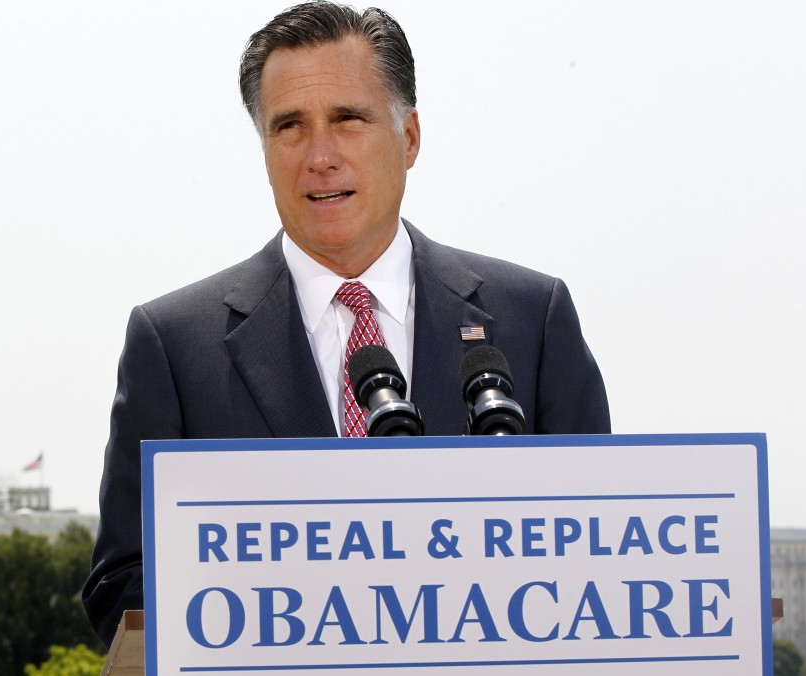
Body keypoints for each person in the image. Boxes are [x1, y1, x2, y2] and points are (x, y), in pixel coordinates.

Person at [82, 0, 610, 646]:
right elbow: (120, 590)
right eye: (290, 127)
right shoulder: (173, 346)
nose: (319, 156)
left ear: (409, 138)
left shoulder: (532, 322)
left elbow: (598, 556)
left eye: (348, 120)